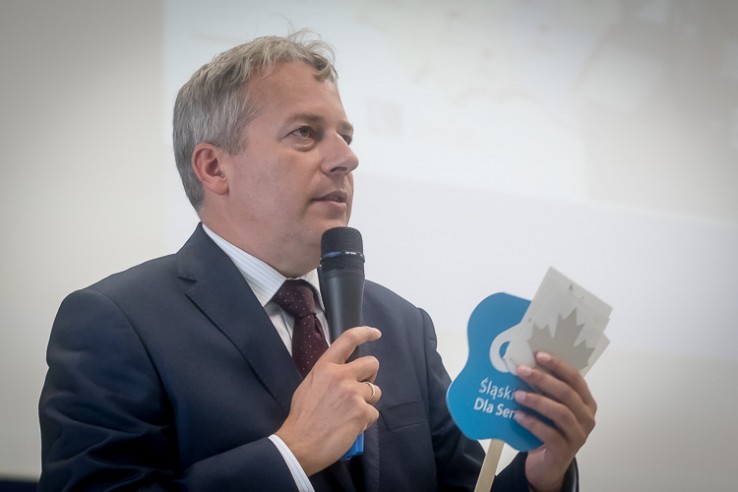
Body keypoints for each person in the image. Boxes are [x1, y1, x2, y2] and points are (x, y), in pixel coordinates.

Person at [38, 32, 596, 491]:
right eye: (306, 133)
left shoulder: (403, 325)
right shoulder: (116, 322)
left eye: (346, 137)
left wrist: (540, 476)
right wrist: (290, 454)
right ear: (213, 168)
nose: (346, 158)